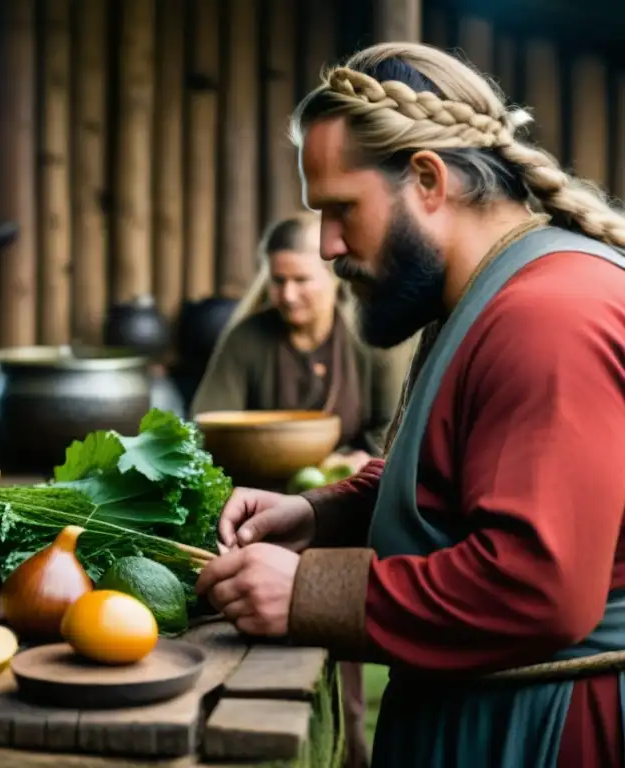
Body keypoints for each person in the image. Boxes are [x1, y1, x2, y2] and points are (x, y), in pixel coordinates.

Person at [196, 41, 625, 768]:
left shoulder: (549, 317)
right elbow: (451, 474)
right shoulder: (487, 294)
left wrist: (309, 592)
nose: (329, 245)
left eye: (341, 209)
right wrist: (318, 514)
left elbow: (537, 586)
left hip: (543, 735)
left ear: (427, 180)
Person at [191, 213, 413, 473]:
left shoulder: (372, 337)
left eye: (301, 280)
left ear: (333, 277)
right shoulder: (246, 339)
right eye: (279, 280)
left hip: (349, 486)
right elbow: (208, 425)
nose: (288, 295)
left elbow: (391, 427)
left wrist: (358, 463)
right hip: (261, 481)